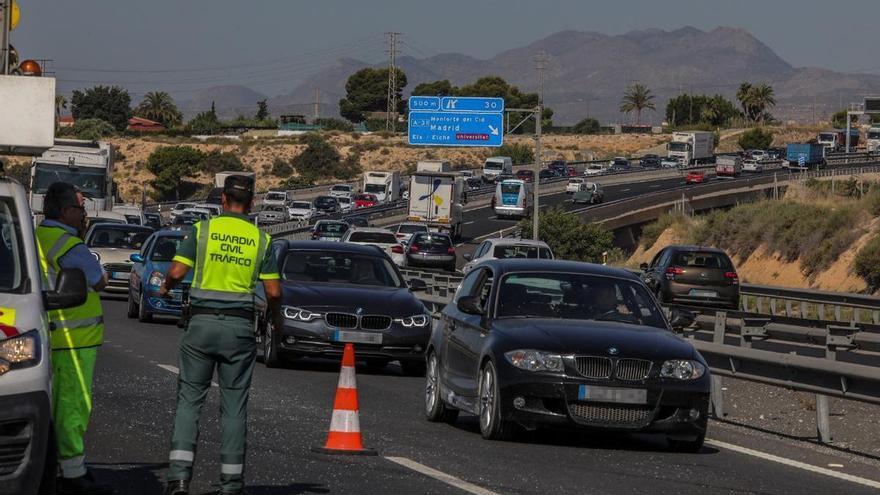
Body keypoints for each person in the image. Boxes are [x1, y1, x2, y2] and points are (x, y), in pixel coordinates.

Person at [160, 175, 282, 495]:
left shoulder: (202, 231)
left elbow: (176, 272)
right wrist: (275, 318)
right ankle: (231, 484)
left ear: (223, 201)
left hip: (200, 326)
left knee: (189, 402)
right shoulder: (261, 240)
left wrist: (166, 287)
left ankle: (179, 479)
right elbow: (273, 290)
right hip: (240, 330)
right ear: (251, 203)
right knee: (234, 407)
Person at [35, 182, 113, 495]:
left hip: (44, 334)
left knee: (51, 405)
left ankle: (51, 466)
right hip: (73, 338)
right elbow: (100, 280)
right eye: (81, 209)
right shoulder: (69, 245)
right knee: (72, 407)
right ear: (67, 211)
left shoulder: (36, 237)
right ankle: (73, 475)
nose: (84, 215)